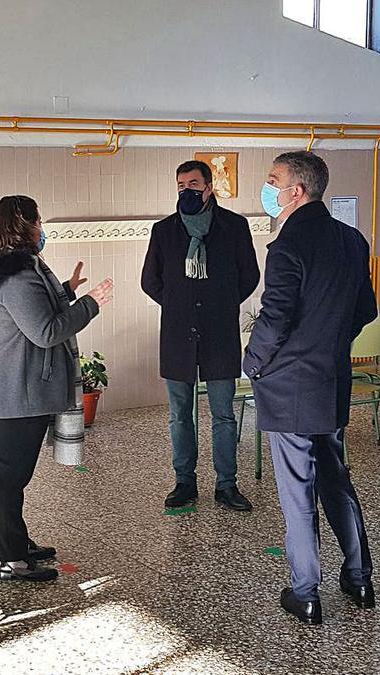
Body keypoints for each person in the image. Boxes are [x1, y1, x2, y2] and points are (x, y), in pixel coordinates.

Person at [0, 195, 114, 582]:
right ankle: (12, 560)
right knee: (9, 478)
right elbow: (46, 331)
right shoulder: (17, 275)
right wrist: (90, 303)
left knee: (11, 476)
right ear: (24, 225)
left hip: (12, 384)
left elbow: (35, 313)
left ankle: (18, 545)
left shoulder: (0, 267)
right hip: (18, 389)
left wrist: (67, 291)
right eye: (38, 221)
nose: (42, 229)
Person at [243, 151, 379, 624]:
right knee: (336, 479)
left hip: (290, 386)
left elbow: (276, 315)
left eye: (272, 181)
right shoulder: (351, 239)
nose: (268, 188)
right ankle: (360, 579)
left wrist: (253, 364)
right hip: (332, 379)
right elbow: (367, 309)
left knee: (298, 491)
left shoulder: (287, 246)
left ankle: (305, 592)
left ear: (295, 192)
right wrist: (330, 342)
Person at [141, 160, 261, 511]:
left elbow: (249, 276)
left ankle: (227, 485)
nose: (186, 190)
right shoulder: (164, 230)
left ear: (210, 187)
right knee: (180, 414)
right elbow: (150, 281)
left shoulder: (234, 227)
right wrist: (180, 305)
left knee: (223, 414)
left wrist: (218, 304)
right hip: (178, 335)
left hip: (220, 333)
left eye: (193, 183)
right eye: (180, 185)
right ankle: (184, 482)